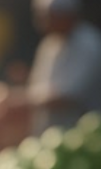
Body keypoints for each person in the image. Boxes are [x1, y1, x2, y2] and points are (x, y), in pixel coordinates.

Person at [29, 0, 101, 134]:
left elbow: (70, 96)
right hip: (48, 134)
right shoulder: (48, 45)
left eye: (49, 16)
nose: (42, 21)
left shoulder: (89, 44)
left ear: (67, 15)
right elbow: (36, 88)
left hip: (81, 135)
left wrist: (21, 102)